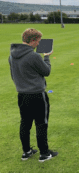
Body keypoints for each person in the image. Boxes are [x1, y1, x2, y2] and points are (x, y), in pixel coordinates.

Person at [8, 28, 58, 162]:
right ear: (32, 40)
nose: (39, 44)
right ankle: (44, 153)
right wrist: (46, 56)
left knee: (25, 123)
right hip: (36, 95)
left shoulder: (12, 55)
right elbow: (46, 71)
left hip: (22, 94)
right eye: (38, 41)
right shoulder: (34, 56)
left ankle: (27, 152)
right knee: (41, 123)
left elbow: (14, 75)